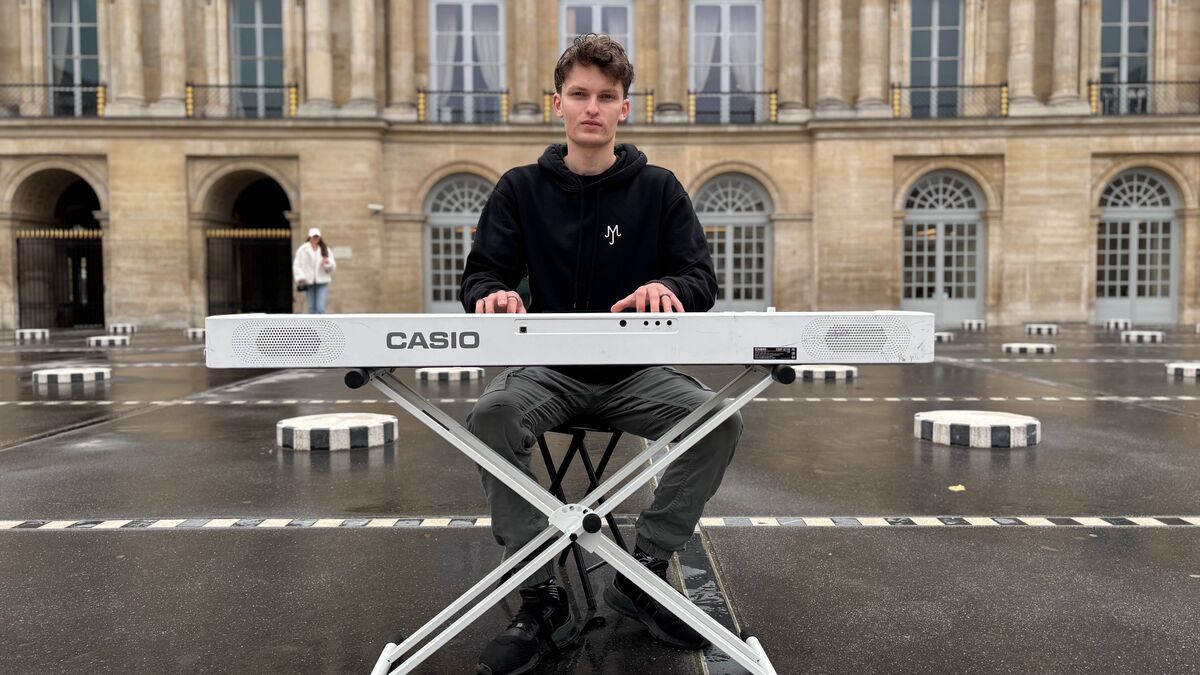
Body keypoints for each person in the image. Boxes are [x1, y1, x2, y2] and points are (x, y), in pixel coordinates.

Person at [460, 34, 743, 675]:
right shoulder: (519, 189)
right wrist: (496, 293)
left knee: (718, 421)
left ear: (624, 108)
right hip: (546, 373)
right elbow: (479, 277)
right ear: (557, 104)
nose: (592, 107)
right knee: (492, 416)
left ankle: (640, 575)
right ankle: (539, 595)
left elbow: (700, 278)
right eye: (580, 95)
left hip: (633, 375)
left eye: (606, 97)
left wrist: (667, 287)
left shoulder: (660, 190)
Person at [292, 227, 335, 314]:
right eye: (314, 237)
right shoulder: (302, 249)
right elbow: (297, 264)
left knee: (321, 308)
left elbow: (332, 266)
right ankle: (313, 327)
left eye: (317, 237)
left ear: (320, 237)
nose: (316, 238)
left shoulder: (325, 249)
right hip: (308, 282)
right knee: (311, 308)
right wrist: (300, 277)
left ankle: (322, 327)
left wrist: (326, 263)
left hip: (322, 281)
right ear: (310, 237)